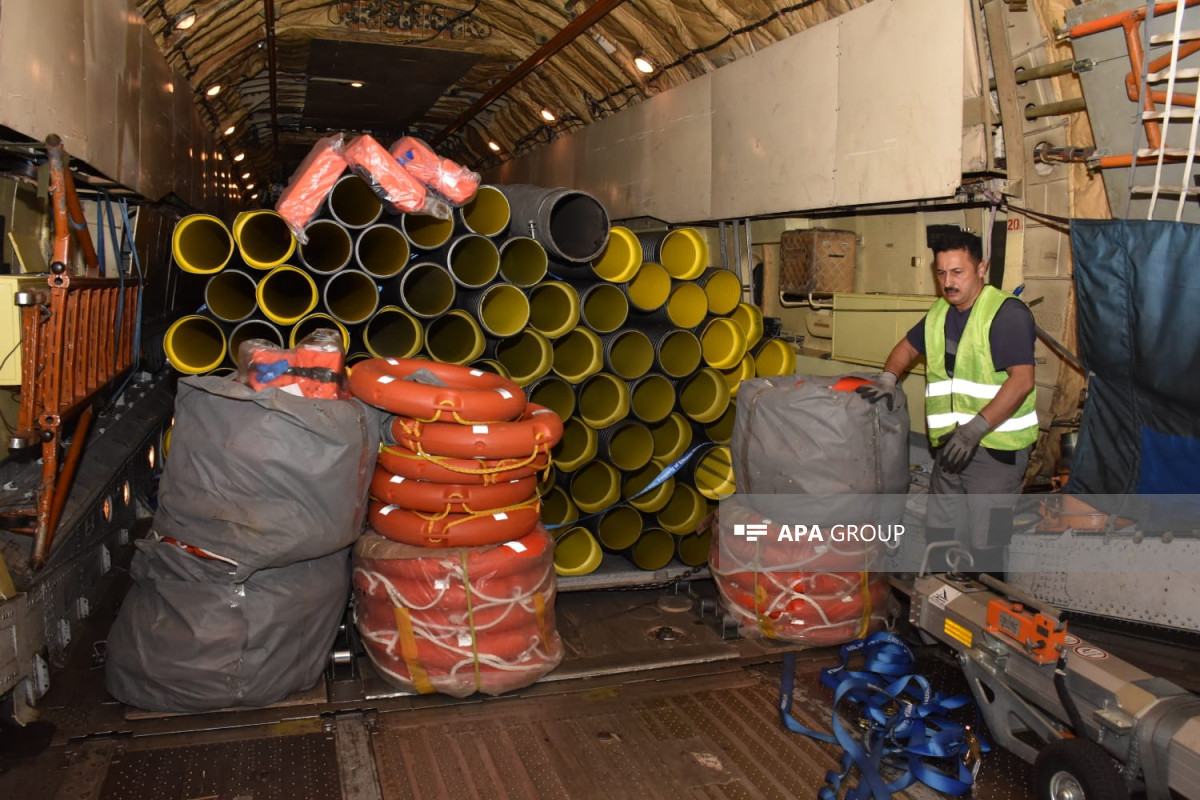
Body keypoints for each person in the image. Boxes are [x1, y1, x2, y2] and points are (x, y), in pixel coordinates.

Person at [856, 229, 1037, 570]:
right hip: (951, 448)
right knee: (941, 534)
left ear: (981, 269)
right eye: (941, 273)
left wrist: (975, 429)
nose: (948, 282)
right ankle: (939, 598)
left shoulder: (1006, 314)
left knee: (989, 543)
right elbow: (907, 347)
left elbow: (1022, 381)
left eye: (957, 272)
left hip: (997, 452)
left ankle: (988, 599)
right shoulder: (940, 312)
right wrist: (888, 378)